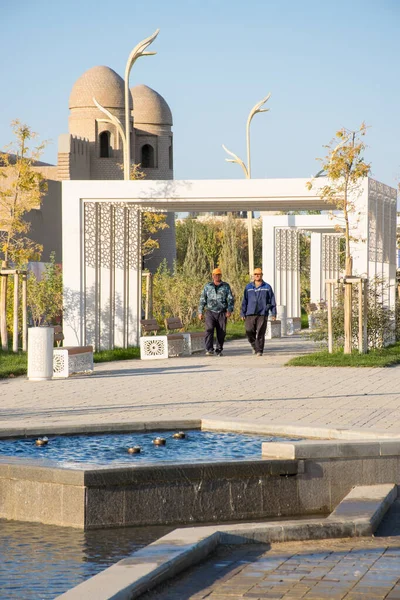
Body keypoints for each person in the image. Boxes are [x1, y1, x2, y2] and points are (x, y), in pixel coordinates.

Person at [240, 267, 276, 357]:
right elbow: (245, 301)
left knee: (260, 332)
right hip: (250, 313)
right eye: (255, 274)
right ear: (253, 276)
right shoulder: (248, 287)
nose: (257, 276)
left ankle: (259, 350)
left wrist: (274, 313)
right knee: (249, 331)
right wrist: (242, 312)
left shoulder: (267, 287)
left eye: (259, 274)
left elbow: (272, 300)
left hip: (262, 313)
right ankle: (254, 345)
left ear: (261, 275)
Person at [198, 268, 234, 356]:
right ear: (212, 276)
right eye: (215, 275)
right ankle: (209, 349)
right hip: (210, 311)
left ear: (221, 276)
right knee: (209, 329)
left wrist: (229, 310)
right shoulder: (208, 286)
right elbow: (203, 299)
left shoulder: (225, 286)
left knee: (221, 332)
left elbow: (230, 299)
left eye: (218, 275)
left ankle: (219, 349)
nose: (217, 276)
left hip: (222, 312)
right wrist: (200, 311)